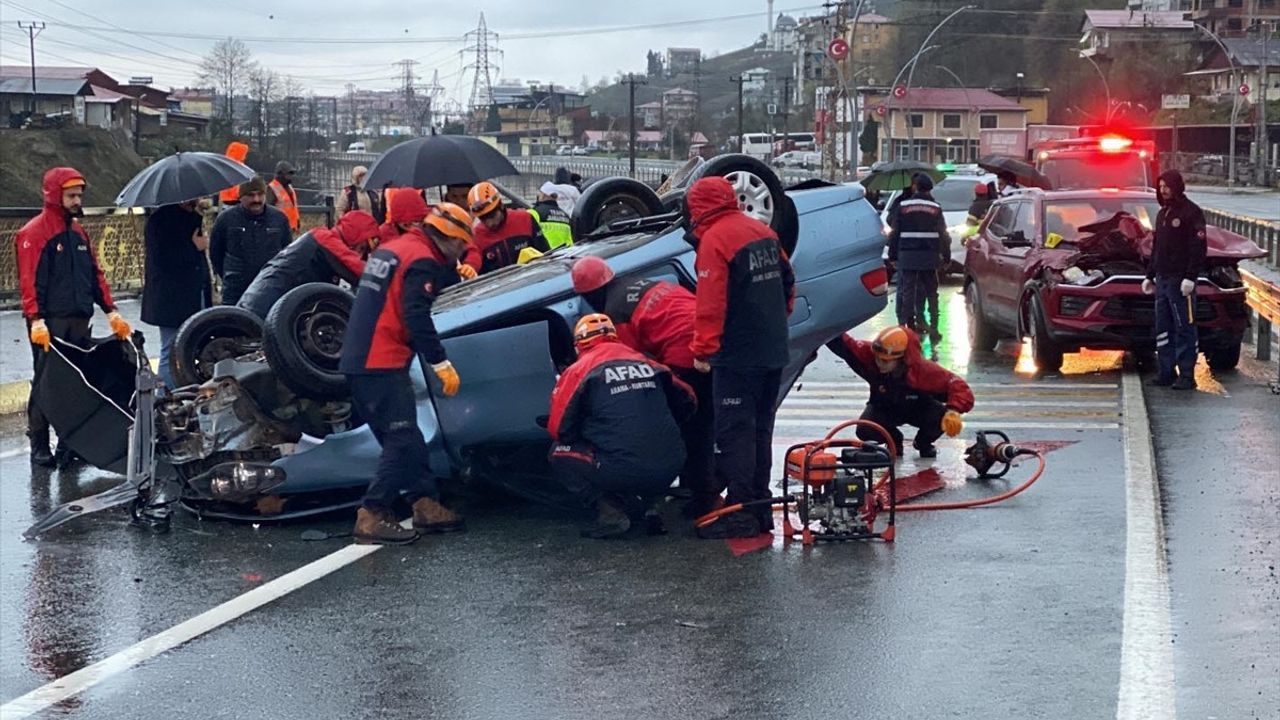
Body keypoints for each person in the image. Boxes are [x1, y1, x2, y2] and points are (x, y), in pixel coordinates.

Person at [339, 193, 474, 545]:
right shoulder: (422, 260)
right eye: (461, 244)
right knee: (401, 439)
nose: (461, 252)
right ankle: (371, 512)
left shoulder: (394, 249)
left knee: (407, 438)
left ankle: (424, 503)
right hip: (381, 359)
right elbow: (416, 315)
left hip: (359, 357)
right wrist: (439, 361)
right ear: (450, 237)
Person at [686, 175, 794, 539]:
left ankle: (741, 512)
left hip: (737, 355)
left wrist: (703, 351)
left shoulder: (715, 240)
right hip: (773, 349)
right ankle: (759, 507)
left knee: (735, 433)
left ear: (698, 207)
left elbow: (710, 303)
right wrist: (776, 320)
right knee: (761, 429)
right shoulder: (761, 230)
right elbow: (788, 280)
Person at [570, 256, 713, 518]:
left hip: (684, 350)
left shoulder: (615, 312)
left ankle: (698, 493)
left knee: (685, 421)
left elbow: (623, 361)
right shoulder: (640, 284)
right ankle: (702, 485)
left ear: (589, 294)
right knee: (705, 419)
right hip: (709, 333)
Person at [16, 167, 131, 466]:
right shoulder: (34, 233)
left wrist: (111, 311)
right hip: (49, 321)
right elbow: (29, 280)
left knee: (79, 385)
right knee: (46, 383)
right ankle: (39, 443)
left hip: (79, 317)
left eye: (79, 195)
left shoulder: (78, 233)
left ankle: (69, 444)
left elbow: (95, 275)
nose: (77, 200)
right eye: (71, 195)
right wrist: (35, 318)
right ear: (55, 195)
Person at [547, 313, 696, 538]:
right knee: (651, 445)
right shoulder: (650, 363)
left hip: (623, 467)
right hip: (673, 462)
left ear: (579, 344)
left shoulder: (580, 370)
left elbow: (559, 429)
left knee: (557, 452)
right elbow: (689, 399)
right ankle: (651, 509)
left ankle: (611, 513)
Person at [825, 326, 973, 459]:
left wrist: (954, 410)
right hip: (883, 409)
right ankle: (894, 440)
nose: (879, 363)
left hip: (920, 410)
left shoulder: (924, 370)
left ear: (902, 359)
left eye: (885, 360)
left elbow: (957, 384)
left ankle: (923, 443)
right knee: (864, 429)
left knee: (942, 417)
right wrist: (822, 328)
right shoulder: (868, 357)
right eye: (877, 358)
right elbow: (844, 344)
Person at [236, 210, 381, 319]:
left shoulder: (321, 239)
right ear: (357, 236)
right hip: (262, 309)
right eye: (362, 248)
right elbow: (358, 269)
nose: (360, 254)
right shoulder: (326, 240)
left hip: (260, 303)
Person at [1144, 169, 1206, 391]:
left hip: (1181, 281)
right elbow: (1157, 248)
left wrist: (1190, 277)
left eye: (1167, 187)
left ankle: (1187, 375)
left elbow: (1198, 248)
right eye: (1160, 187)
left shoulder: (1191, 213)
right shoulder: (1163, 214)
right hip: (1163, 280)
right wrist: (1150, 275)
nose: (1164, 191)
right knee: (1164, 328)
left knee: (1184, 327)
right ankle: (1166, 371)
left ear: (1177, 186)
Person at [141, 199, 211, 390]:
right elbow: (162, 259)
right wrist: (194, 248)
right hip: (170, 298)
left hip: (195, 294)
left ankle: (186, 394)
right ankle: (165, 398)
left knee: (192, 347)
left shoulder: (192, 217)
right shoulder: (160, 221)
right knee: (170, 351)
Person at [209, 176, 292, 306]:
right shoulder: (226, 219)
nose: (256, 200)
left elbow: (286, 253)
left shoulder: (279, 219)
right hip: (235, 290)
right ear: (241, 197)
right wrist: (230, 275)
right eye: (251, 195)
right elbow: (216, 253)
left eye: (260, 194)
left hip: (269, 289)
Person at [887, 172, 949, 334]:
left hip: (908, 255)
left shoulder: (903, 206)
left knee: (908, 290)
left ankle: (910, 326)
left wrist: (892, 256)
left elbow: (895, 233)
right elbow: (943, 234)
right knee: (931, 291)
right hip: (929, 255)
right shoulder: (936, 208)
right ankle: (934, 326)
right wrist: (946, 256)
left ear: (915, 187)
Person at [464, 181, 551, 274]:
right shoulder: (476, 236)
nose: (489, 223)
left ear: (500, 205)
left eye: (492, 215)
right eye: (483, 218)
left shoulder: (525, 219)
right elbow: (473, 261)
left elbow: (545, 252)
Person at [530, 182, 574, 250]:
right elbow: (570, 242)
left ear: (543, 195)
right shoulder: (565, 216)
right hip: (562, 257)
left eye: (540, 192)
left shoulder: (534, 213)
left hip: (542, 256)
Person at [266, 161, 299, 232]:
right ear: (280, 174)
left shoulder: (289, 187)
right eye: (288, 174)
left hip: (291, 228)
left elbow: (293, 207)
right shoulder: (272, 188)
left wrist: (297, 221)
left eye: (292, 174)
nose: (291, 176)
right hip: (278, 228)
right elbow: (267, 210)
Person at [218, 141, 249, 206]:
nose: (245, 157)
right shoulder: (237, 168)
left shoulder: (225, 165)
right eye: (244, 155)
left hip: (225, 200)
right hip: (234, 200)